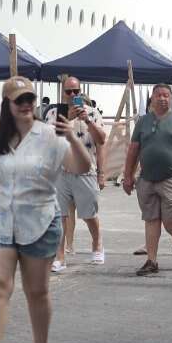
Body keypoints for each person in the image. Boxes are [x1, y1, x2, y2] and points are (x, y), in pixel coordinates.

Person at [0, 77, 92, 343]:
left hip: (39, 223)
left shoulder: (50, 135)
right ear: (7, 105)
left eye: (30, 99)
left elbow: (82, 167)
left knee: (37, 291)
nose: (26, 105)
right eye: (19, 100)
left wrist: (72, 137)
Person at [123, 83, 172, 276]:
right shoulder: (143, 122)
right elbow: (133, 150)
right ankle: (151, 260)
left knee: (170, 220)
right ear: (152, 99)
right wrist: (128, 176)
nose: (163, 98)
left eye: (166, 95)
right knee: (151, 219)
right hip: (146, 179)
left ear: (171, 98)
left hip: (171, 178)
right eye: (159, 95)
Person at [47, 77, 107, 272]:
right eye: (69, 91)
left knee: (89, 214)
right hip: (61, 172)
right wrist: (69, 118)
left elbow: (101, 141)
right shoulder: (54, 113)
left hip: (85, 171)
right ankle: (60, 256)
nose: (73, 95)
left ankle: (97, 243)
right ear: (62, 92)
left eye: (76, 91)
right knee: (59, 216)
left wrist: (87, 120)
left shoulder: (92, 113)